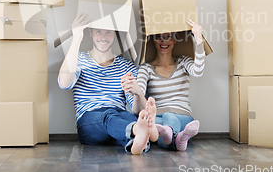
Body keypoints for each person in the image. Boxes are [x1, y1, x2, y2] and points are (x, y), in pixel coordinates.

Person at [58, 13, 158, 155]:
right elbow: (64, 83)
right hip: (90, 120)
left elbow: (136, 110)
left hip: (119, 118)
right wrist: (76, 38)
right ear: (91, 32)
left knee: (131, 118)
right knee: (109, 116)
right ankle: (138, 130)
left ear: (114, 34)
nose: (103, 37)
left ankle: (136, 143)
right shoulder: (78, 59)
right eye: (98, 31)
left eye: (108, 32)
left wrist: (138, 93)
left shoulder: (126, 66)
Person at [121, 19, 205, 151]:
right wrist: (136, 92)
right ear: (153, 40)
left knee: (166, 121)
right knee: (156, 126)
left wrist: (198, 38)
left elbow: (199, 71)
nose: (163, 41)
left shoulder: (183, 62)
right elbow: (140, 102)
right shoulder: (146, 69)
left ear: (175, 40)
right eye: (159, 37)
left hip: (183, 116)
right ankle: (179, 141)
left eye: (169, 37)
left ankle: (170, 132)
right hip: (158, 117)